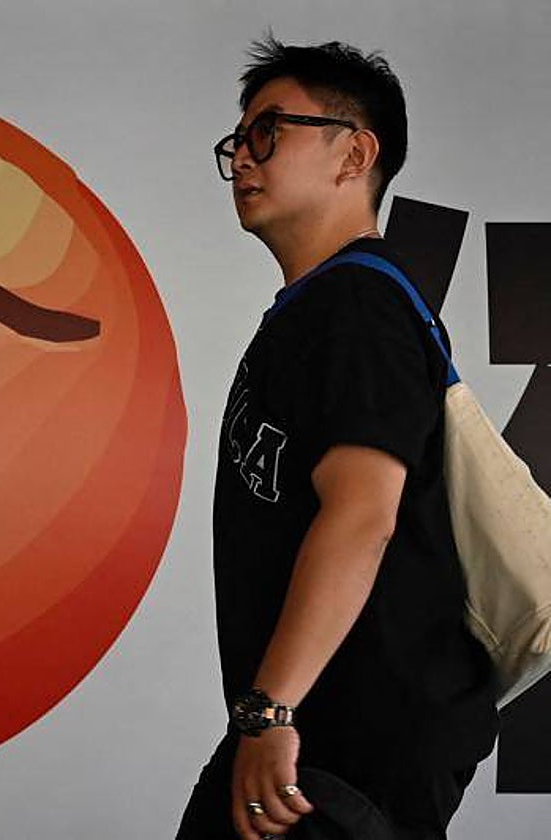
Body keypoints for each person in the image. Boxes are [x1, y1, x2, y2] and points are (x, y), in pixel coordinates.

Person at [174, 37, 499, 840]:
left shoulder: (358, 305)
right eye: (236, 141)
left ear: (354, 154)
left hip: (342, 752)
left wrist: (270, 710)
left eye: (267, 132)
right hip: (315, 740)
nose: (242, 159)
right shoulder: (323, 306)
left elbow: (362, 514)